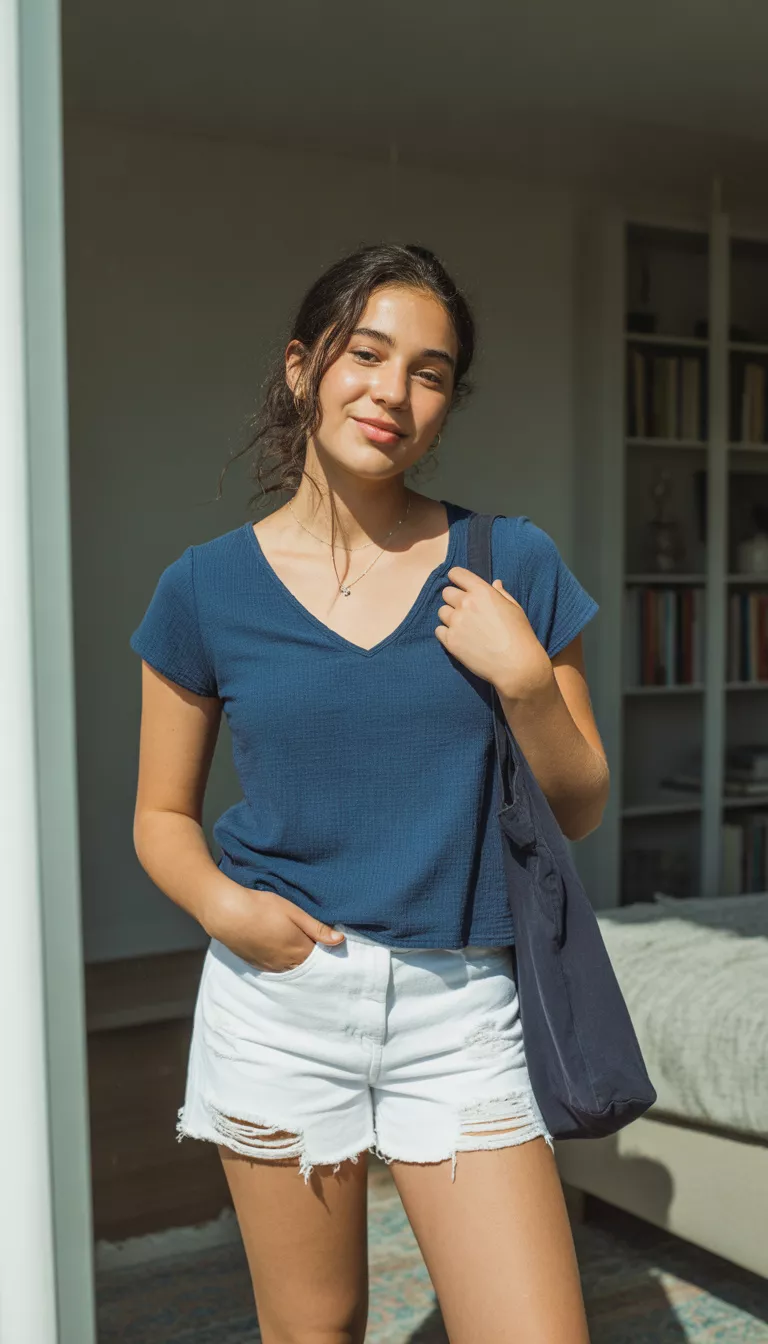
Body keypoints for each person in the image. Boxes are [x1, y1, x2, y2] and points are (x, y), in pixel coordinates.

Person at [130, 241, 609, 1343]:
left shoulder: (511, 562)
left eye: (430, 373)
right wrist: (229, 909)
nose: (394, 392)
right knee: (318, 1330)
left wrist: (526, 681)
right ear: (304, 367)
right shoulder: (203, 588)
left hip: (463, 1007)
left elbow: (580, 804)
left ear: (447, 405)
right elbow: (161, 817)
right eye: (367, 354)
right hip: (280, 1003)